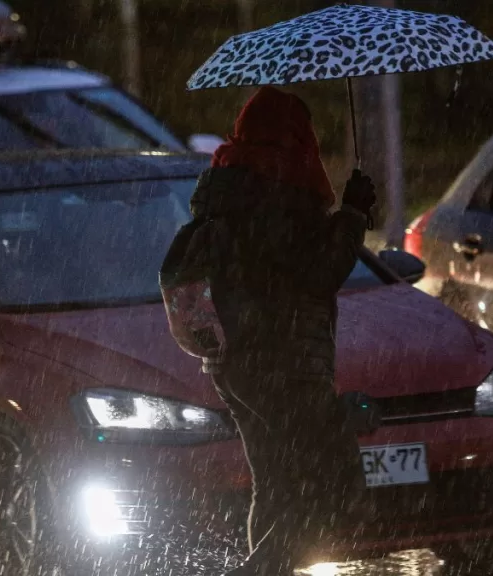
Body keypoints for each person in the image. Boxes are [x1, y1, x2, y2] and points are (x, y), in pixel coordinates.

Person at [187, 87, 377, 575]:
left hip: (235, 363)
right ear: (295, 135)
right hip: (286, 364)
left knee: (275, 485)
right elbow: (316, 273)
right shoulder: (278, 186)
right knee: (327, 493)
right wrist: (353, 215)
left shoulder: (229, 187)